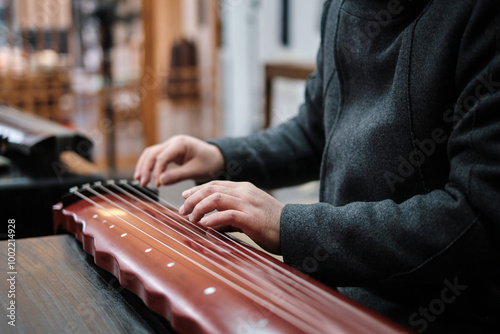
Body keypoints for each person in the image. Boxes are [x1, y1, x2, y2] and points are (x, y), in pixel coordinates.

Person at [135, 0, 500, 332]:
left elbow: (475, 221)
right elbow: (314, 130)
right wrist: (221, 156)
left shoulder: (479, 17)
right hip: (333, 288)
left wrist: (288, 226)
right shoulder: (340, 7)